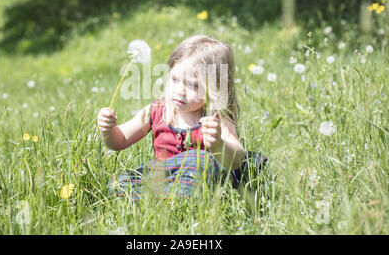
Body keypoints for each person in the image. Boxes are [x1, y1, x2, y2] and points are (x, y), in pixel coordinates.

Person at [97, 35, 267, 200]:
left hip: (202, 179)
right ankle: (156, 197)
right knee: (120, 182)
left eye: (193, 85)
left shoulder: (217, 119)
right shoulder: (156, 111)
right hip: (163, 175)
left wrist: (218, 144)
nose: (180, 90)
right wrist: (108, 129)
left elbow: (237, 159)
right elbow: (119, 141)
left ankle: (173, 198)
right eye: (175, 79)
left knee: (200, 160)